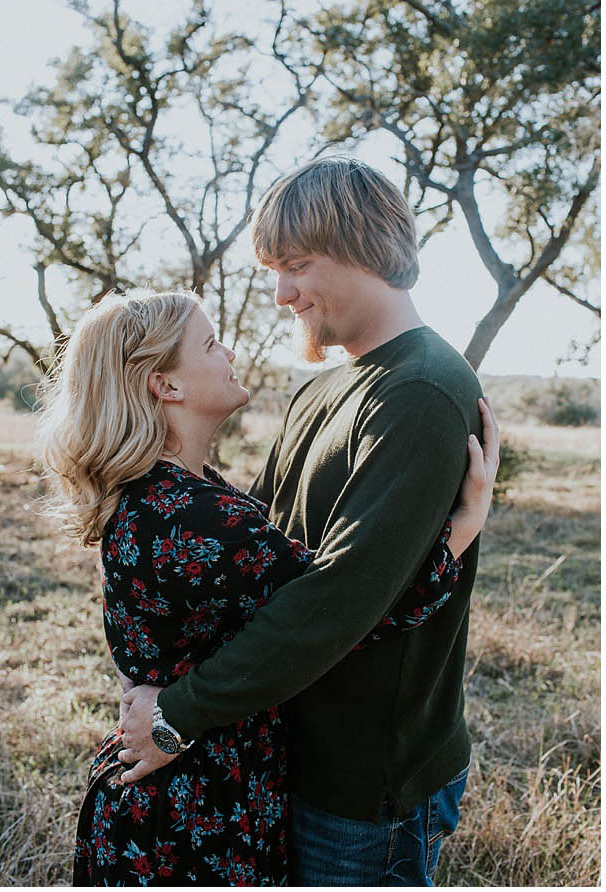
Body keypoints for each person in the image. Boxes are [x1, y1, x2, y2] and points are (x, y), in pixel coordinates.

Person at [111, 159, 493, 885]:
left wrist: (178, 714)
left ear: (365, 247)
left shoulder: (421, 391)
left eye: (297, 266)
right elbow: (258, 560)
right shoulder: (322, 390)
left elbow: (339, 597)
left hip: (361, 785)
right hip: (289, 751)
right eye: (274, 270)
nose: (282, 293)